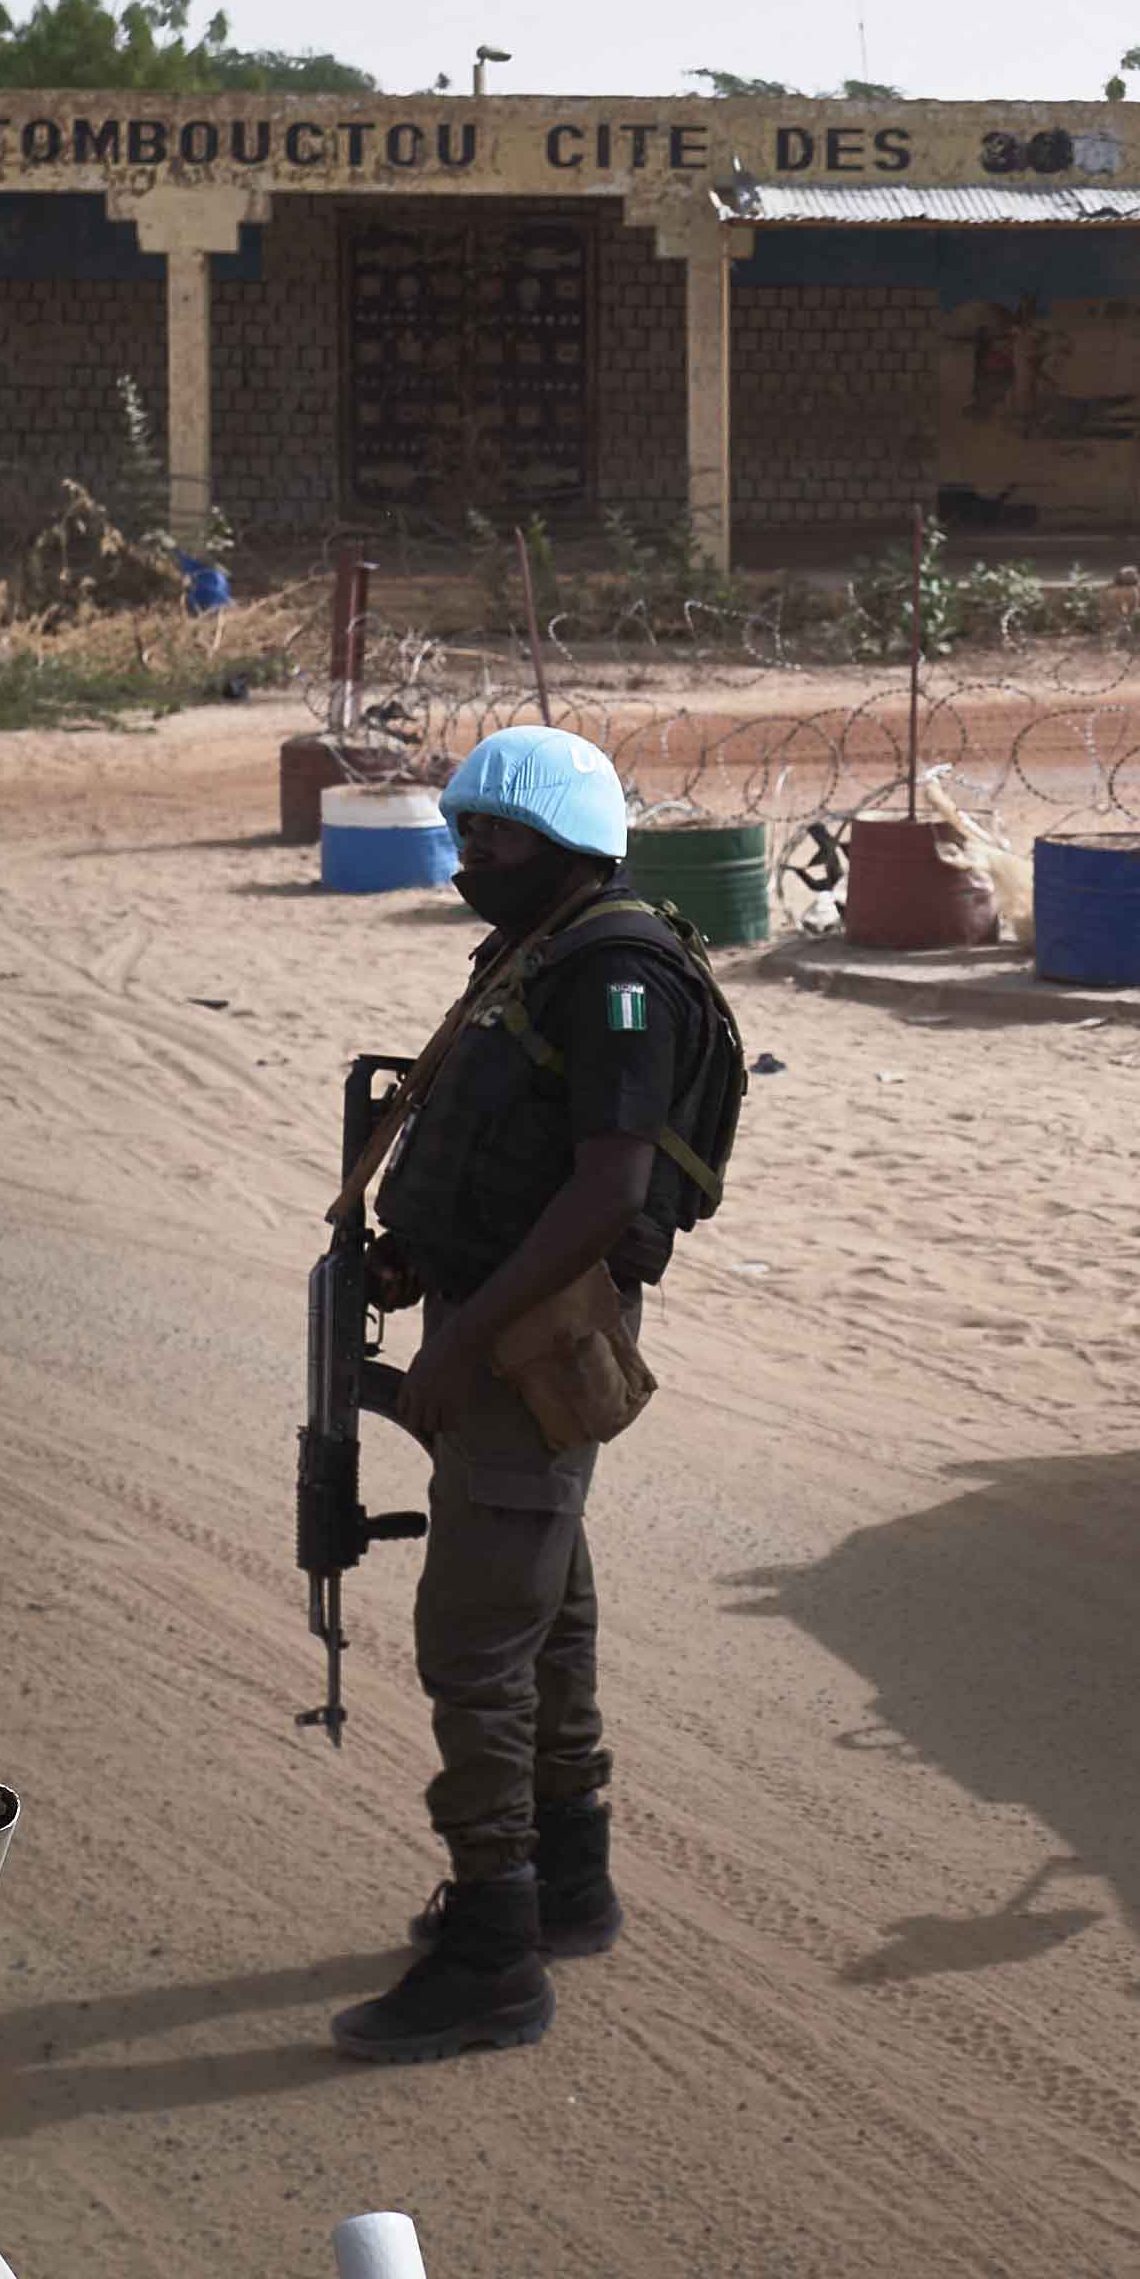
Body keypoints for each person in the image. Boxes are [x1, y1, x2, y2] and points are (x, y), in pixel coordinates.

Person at [326, 725, 740, 2067]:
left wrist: (461, 1345)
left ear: (564, 844)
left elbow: (609, 1188)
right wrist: (415, 1258)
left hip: (532, 1340)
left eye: (494, 840)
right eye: (465, 836)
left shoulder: (617, 972)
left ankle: (492, 1952)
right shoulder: (542, 955)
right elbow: (512, 1150)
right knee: (548, 1614)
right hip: (500, 1319)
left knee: (478, 1644)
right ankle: (568, 1883)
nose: (468, 862)